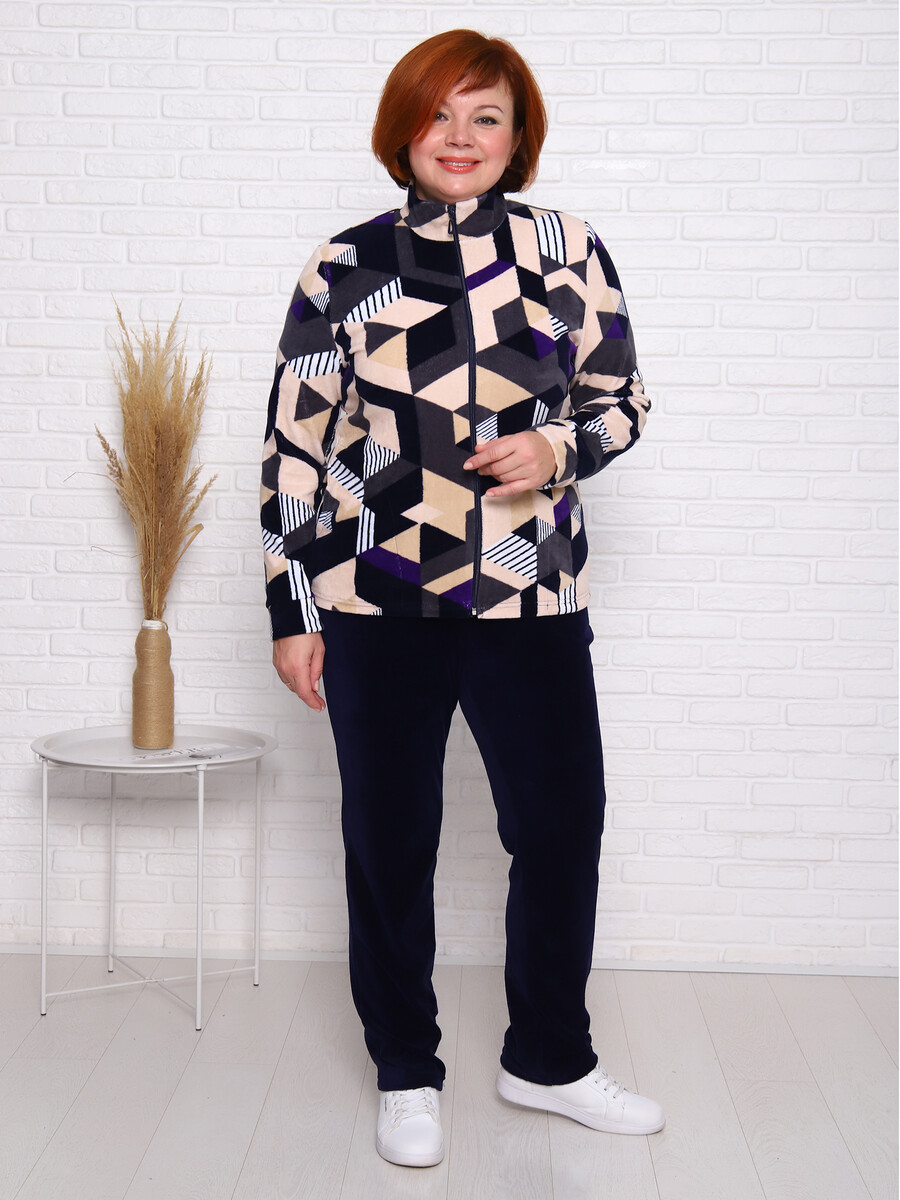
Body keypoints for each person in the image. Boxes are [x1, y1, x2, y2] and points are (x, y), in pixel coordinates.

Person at [261, 29, 663, 1169]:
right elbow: (297, 449)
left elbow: (623, 400)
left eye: (486, 116)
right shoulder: (344, 265)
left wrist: (558, 448)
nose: (460, 137)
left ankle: (550, 1060)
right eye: (439, 114)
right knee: (389, 841)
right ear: (403, 129)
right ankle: (405, 1069)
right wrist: (293, 611)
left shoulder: (566, 250)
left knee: (562, 827)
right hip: (376, 600)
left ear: (517, 136)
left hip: (530, 596)